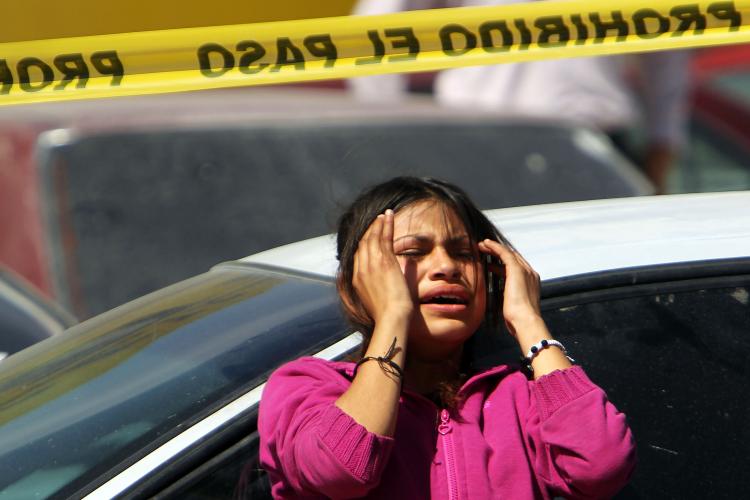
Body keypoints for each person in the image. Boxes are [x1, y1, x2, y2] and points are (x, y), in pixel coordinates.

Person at [258, 176, 636, 498]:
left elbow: (600, 466)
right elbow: (339, 470)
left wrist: (528, 320)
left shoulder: (520, 397)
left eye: (463, 254)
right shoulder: (306, 388)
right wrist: (392, 315)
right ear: (354, 286)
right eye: (413, 252)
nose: (446, 268)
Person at [349, 0, 691, 194]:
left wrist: (662, 148)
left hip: (593, 144)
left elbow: (667, 53)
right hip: (482, 143)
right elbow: (376, 25)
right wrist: (391, 133)